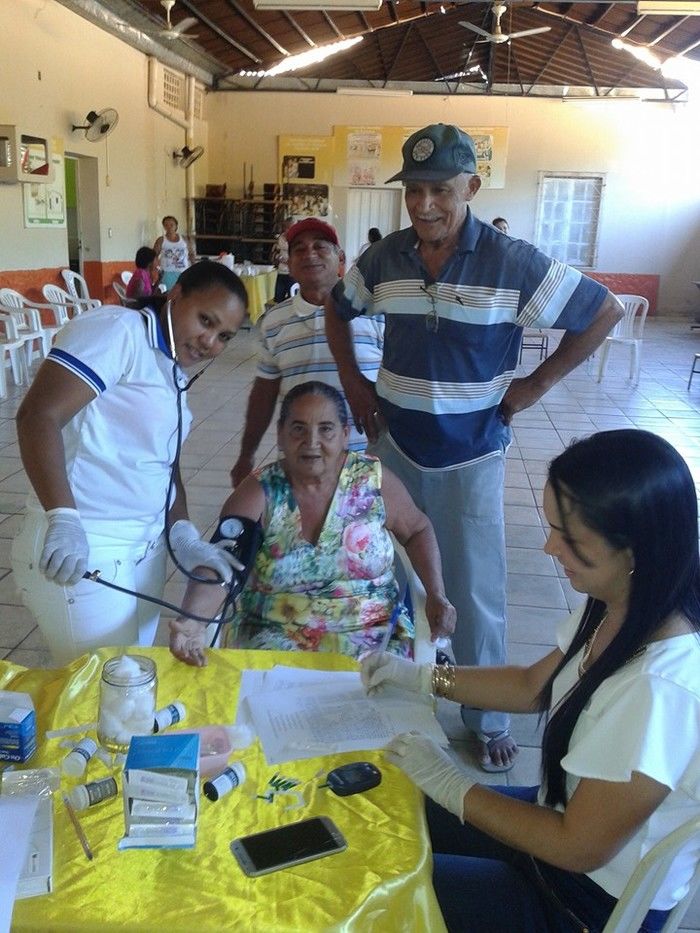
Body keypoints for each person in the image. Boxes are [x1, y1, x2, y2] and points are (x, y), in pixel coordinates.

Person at [325, 122, 623, 772]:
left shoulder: (512, 262)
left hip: (472, 452)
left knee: (474, 589)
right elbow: (337, 307)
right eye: (413, 192)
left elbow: (602, 311)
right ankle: (401, 688)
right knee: (394, 576)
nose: (424, 204)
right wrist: (355, 384)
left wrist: (533, 385)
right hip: (396, 445)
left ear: (471, 186)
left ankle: (487, 718)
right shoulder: (386, 259)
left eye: (439, 190)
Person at [362, 429, 700, 933]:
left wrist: (454, 785)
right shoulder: (622, 602)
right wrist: (423, 678)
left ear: (633, 550)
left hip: (579, 903)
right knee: (391, 810)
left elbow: (576, 846)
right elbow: (532, 685)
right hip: (558, 832)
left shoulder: (660, 689)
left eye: (569, 537)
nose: (547, 546)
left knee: (383, 890)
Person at [12, 262, 248, 665]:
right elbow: (38, 416)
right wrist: (64, 518)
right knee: (98, 690)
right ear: (175, 296)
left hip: (142, 546)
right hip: (87, 545)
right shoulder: (118, 331)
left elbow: (164, 462)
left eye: (223, 335)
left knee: (129, 678)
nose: (209, 341)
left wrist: (182, 533)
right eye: (204, 320)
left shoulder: (167, 364)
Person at [170, 381, 456, 666]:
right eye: (298, 429)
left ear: (344, 435)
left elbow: (417, 529)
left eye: (326, 429)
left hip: (374, 636)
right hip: (273, 641)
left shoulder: (372, 481)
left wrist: (436, 593)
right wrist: (194, 621)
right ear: (280, 436)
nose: (311, 442)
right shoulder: (260, 491)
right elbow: (221, 562)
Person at [230, 218, 384, 487]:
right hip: (301, 464)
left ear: (341, 259)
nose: (309, 254)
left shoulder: (376, 312)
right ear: (288, 264)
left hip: (368, 464)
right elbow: (264, 394)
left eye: (320, 246)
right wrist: (247, 454)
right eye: (299, 249)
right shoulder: (274, 321)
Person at [154, 215, 196, 290]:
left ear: (176, 226)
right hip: (167, 272)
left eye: (171, 225)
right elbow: (154, 256)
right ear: (164, 227)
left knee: (184, 293)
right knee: (169, 293)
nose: (169, 227)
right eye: (166, 225)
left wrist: (194, 268)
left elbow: (191, 254)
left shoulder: (184, 239)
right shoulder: (161, 240)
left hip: (183, 271)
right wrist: (157, 269)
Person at [271, 217, 295, 303]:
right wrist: (278, 258)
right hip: (281, 272)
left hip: (292, 273)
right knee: (278, 297)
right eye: (287, 227)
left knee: (292, 299)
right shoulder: (279, 238)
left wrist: (290, 261)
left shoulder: (296, 239)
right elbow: (274, 252)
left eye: (291, 227)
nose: (288, 230)